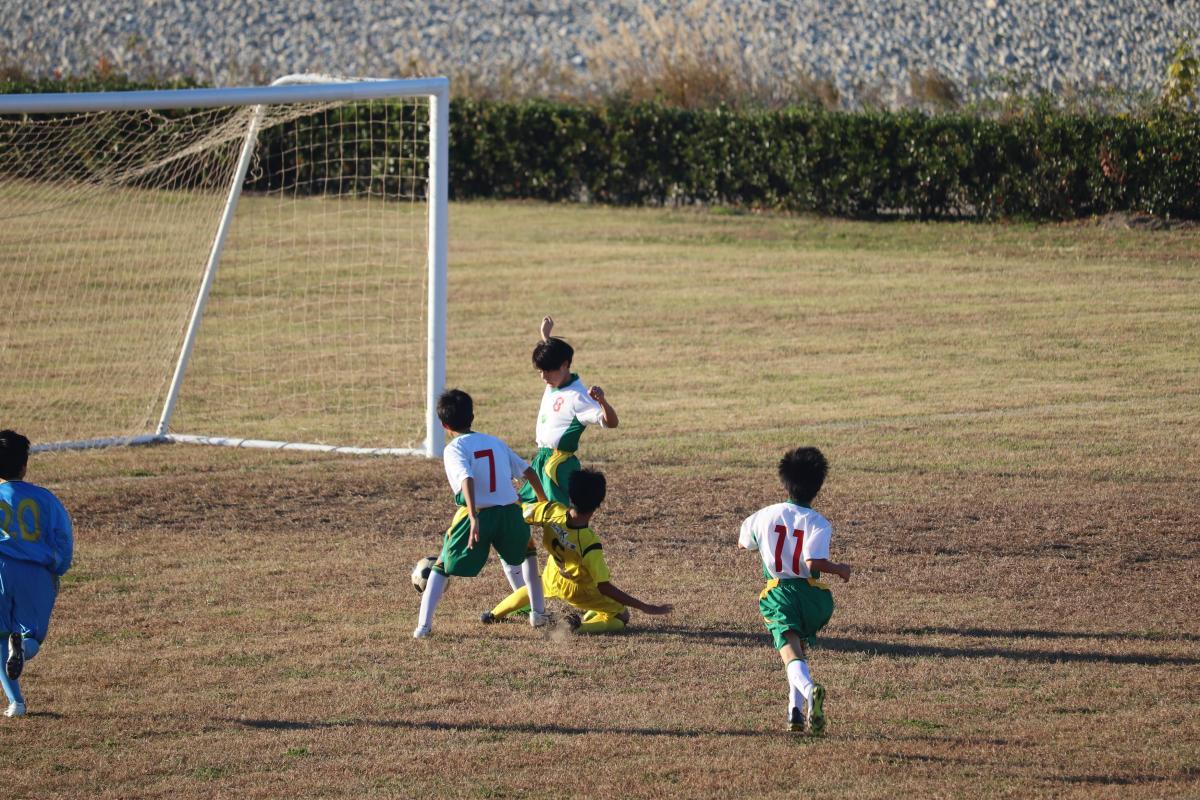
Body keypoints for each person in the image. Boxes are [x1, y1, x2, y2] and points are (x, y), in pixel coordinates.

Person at [414, 390, 551, 638]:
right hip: (510, 513)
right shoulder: (494, 442)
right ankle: (538, 613)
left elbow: (466, 478)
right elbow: (529, 472)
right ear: (473, 416)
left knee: (442, 565)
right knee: (528, 555)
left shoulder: (453, 449)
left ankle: (423, 627)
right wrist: (543, 503)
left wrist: (473, 517)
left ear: (444, 425)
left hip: (478, 514)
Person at [738, 447, 851, 735]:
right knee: (799, 651)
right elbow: (813, 562)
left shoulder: (764, 515)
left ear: (785, 482)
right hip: (814, 598)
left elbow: (744, 543)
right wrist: (839, 569)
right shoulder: (818, 522)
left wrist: (837, 568)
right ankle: (795, 712)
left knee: (790, 654)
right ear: (818, 487)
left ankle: (810, 691)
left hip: (780, 594)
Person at [503, 316, 618, 595]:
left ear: (565, 366)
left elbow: (611, 423)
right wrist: (545, 337)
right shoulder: (555, 379)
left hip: (558, 467)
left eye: (548, 370)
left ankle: (578, 579)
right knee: (514, 517)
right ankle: (527, 591)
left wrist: (602, 401)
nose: (544, 376)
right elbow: (554, 358)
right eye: (540, 371)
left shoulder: (579, 397)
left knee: (560, 528)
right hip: (540, 461)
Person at [483, 468, 671, 633]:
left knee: (535, 587)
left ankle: (492, 614)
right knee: (622, 616)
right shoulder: (589, 544)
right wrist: (644, 606)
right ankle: (578, 627)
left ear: (570, 496)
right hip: (580, 592)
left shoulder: (551, 511)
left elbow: (522, 512)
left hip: (554, 576)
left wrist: (513, 502)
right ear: (598, 504)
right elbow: (603, 587)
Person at [0, 430, 74, 718]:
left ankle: (16, 703)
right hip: (34, 573)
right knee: (30, 635)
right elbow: (62, 537)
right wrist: (59, 566)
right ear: (24, 465)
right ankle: (23, 647)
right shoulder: (45, 499)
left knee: (0, 637)